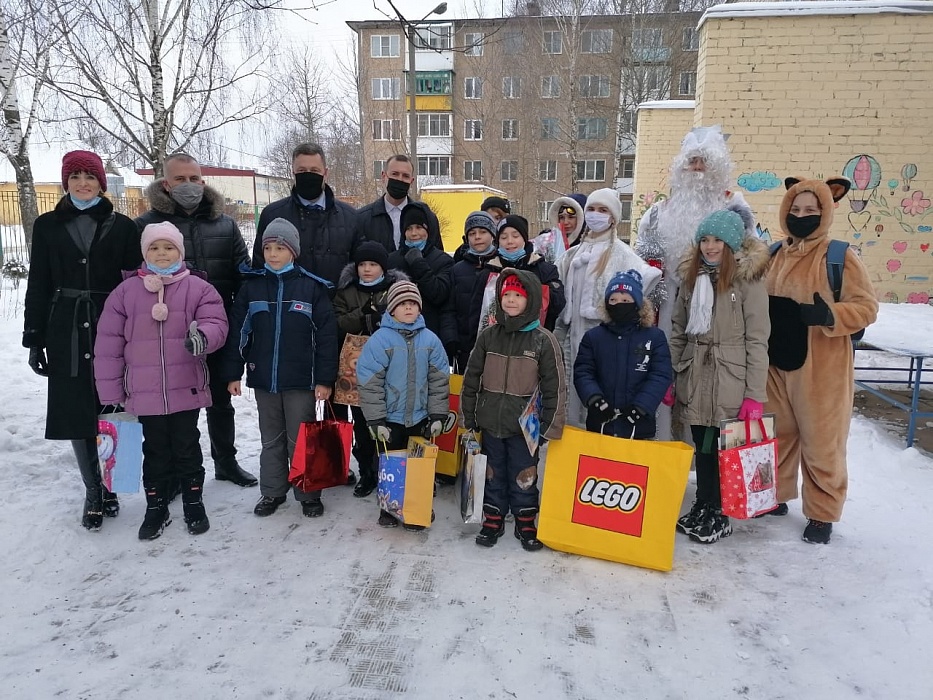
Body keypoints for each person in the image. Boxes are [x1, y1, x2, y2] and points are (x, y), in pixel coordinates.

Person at [23, 150, 142, 531]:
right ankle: (95, 491)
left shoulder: (123, 226)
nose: (83, 183)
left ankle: (115, 483)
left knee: (114, 404)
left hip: (112, 324)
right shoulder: (47, 225)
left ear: (101, 182)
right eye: (74, 177)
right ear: (66, 182)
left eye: (89, 176)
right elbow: (38, 281)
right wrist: (34, 336)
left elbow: (132, 280)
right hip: (66, 327)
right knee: (77, 410)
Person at [94, 222, 228, 540]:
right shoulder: (125, 292)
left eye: (169, 247)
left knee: (186, 446)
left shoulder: (198, 288)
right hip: (144, 391)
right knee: (154, 450)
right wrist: (112, 392)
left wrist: (204, 337)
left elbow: (216, 322)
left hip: (186, 386)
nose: (162, 253)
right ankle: (155, 505)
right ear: (144, 252)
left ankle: (194, 500)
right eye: (154, 247)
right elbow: (108, 345)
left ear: (180, 252)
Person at [766, 177, 878, 545]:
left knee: (821, 442)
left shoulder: (839, 256)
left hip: (822, 369)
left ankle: (822, 512)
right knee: (777, 437)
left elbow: (866, 308)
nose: (802, 216)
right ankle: (775, 496)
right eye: (795, 210)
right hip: (776, 364)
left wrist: (830, 315)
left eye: (811, 211)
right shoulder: (773, 254)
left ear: (826, 212)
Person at [135, 152, 257, 487]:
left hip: (217, 327)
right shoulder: (147, 226)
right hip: (169, 332)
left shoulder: (226, 224)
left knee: (220, 401)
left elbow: (241, 272)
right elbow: (136, 279)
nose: (188, 186)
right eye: (180, 179)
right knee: (175, 406)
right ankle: (177, 471)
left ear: (203, 182)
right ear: (166, 183)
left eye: (194, 179)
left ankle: (226, 462)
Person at [635, 126, 755, 440]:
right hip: (665, 309)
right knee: (661, 378)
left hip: (717, 315)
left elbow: (749, 266)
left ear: (718, 169)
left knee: (706, 388)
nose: (697, 169)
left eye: (704, 162)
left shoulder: (735, 210)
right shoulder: (658, 213)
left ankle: (703, 467)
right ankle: (660, 453)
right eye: (692, 162)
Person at [220, 218, 338, 519]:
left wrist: (324, 379)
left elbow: (326, 338)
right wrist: (234, 372)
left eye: (280, 248)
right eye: (268, 248)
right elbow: (238, 332)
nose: (273, 254)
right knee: (270, 438)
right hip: (264, 381)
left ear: (293, 252)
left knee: (301, 439)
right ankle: (272, 492)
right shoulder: (253, 288)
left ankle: (308, 493)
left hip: (301, 381)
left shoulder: (311, 288)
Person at [668, 210, 770, 544]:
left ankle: (720, 511)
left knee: (725, 449)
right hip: (696, 375)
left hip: (730, 379)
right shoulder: (691, 279)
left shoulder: (746, 282)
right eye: (705, 240)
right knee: (704, 445)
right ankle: (704, 503)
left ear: (732, 244)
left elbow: (757, 339)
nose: (711, 247)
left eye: (718, 241)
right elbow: (678, 331)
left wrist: (755, 393)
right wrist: (672, 375)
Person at [460, 269, 567, 551]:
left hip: (525, 427)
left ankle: (525, 520)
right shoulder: (488, 336)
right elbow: (472, 377)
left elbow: (555, 386)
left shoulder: (543, 340)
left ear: (530, 300)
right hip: (491, 420)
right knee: (492, 472)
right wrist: (468, 417)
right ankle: (493, 517)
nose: (510, 300)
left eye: (517, 295)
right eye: (506, 294)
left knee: (524, 475)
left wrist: (549, 425)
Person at [555, 187, 660, 428]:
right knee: (571, 396)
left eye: (602, 210)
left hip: (604, 341)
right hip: (571, 337)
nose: (595, 214)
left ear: (613, 216)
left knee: (596, 401)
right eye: (591, 209)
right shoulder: (573, 254)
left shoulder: (623, 254)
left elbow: (644, 282)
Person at [356, 281, 449, 529]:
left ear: (419, 309)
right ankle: (389, 508)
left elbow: (439, 379)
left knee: (418, 465)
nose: (408, 309)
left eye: (413, 304)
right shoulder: (380, 340)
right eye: (402, 304)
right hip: (390, 419)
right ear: (392, 309)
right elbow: (369, 381)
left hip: (419, 417)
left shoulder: (430, 340)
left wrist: (438, 414)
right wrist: (375, 420)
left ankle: (416, 508)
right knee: (389, 464)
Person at [334, 241, 408, 499]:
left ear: (383, 268)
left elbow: (407, 318)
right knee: (362, 423)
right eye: (362, 264)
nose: (367, 270)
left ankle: (387, 470)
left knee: (387, 420)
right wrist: (365, 315)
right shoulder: (346, 290)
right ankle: (367, 472)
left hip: (388, 363)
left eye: (373, 265)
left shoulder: (395, 290)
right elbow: (339, 322)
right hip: (354, 365)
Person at [573, 270, 672, 439]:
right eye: (613, 300)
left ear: (637, 303)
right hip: (601, 424)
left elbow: (660, 375)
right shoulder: (594, 337)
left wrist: (641, 406)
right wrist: (595, 399)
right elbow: (583, 371)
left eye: (626, 300)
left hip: (639, 426)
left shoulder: (654, 337)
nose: (619, 304)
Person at [251, 142, 360, 289]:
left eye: (314, 170)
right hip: (287, 306)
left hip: (336, 306)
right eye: (302, 171)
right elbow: (259, 270)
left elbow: (359, 271)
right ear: (293, 173)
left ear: (325, 173)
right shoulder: (272, 215)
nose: (308, 175)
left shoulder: (350, 217)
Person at [385, 205, 456, 353]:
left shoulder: (443, 261)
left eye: (419, 227)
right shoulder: (392, 260)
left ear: (428, 230)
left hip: (430, 337)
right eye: (409, 228)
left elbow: (439, 295)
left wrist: (418, 263)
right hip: (395, 339)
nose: (414, 233)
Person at [485, 214, 565, 331]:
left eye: (515, 236)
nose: (510, 241)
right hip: (496, 340)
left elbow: (558, 303)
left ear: (524, 238)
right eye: (503, 237)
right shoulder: (488, 270)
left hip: (535, 340)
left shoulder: (544, 269)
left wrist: (528, 284)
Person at [355, 154, 444, 253]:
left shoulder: (427, 217)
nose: (399, 179)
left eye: (405, 176)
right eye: (395, 174)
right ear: (384, 177)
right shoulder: (362, 218)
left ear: (411, 181)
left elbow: (438, 258)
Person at [449, 211, 500, 371]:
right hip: (465, 346)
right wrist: (452, 338)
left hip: (497, 345)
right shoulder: (457, 269)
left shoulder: (502, 265)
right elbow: (449, 308)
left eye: (483, 232)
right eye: (472, 233)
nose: (477, 237)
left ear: (492, 235)